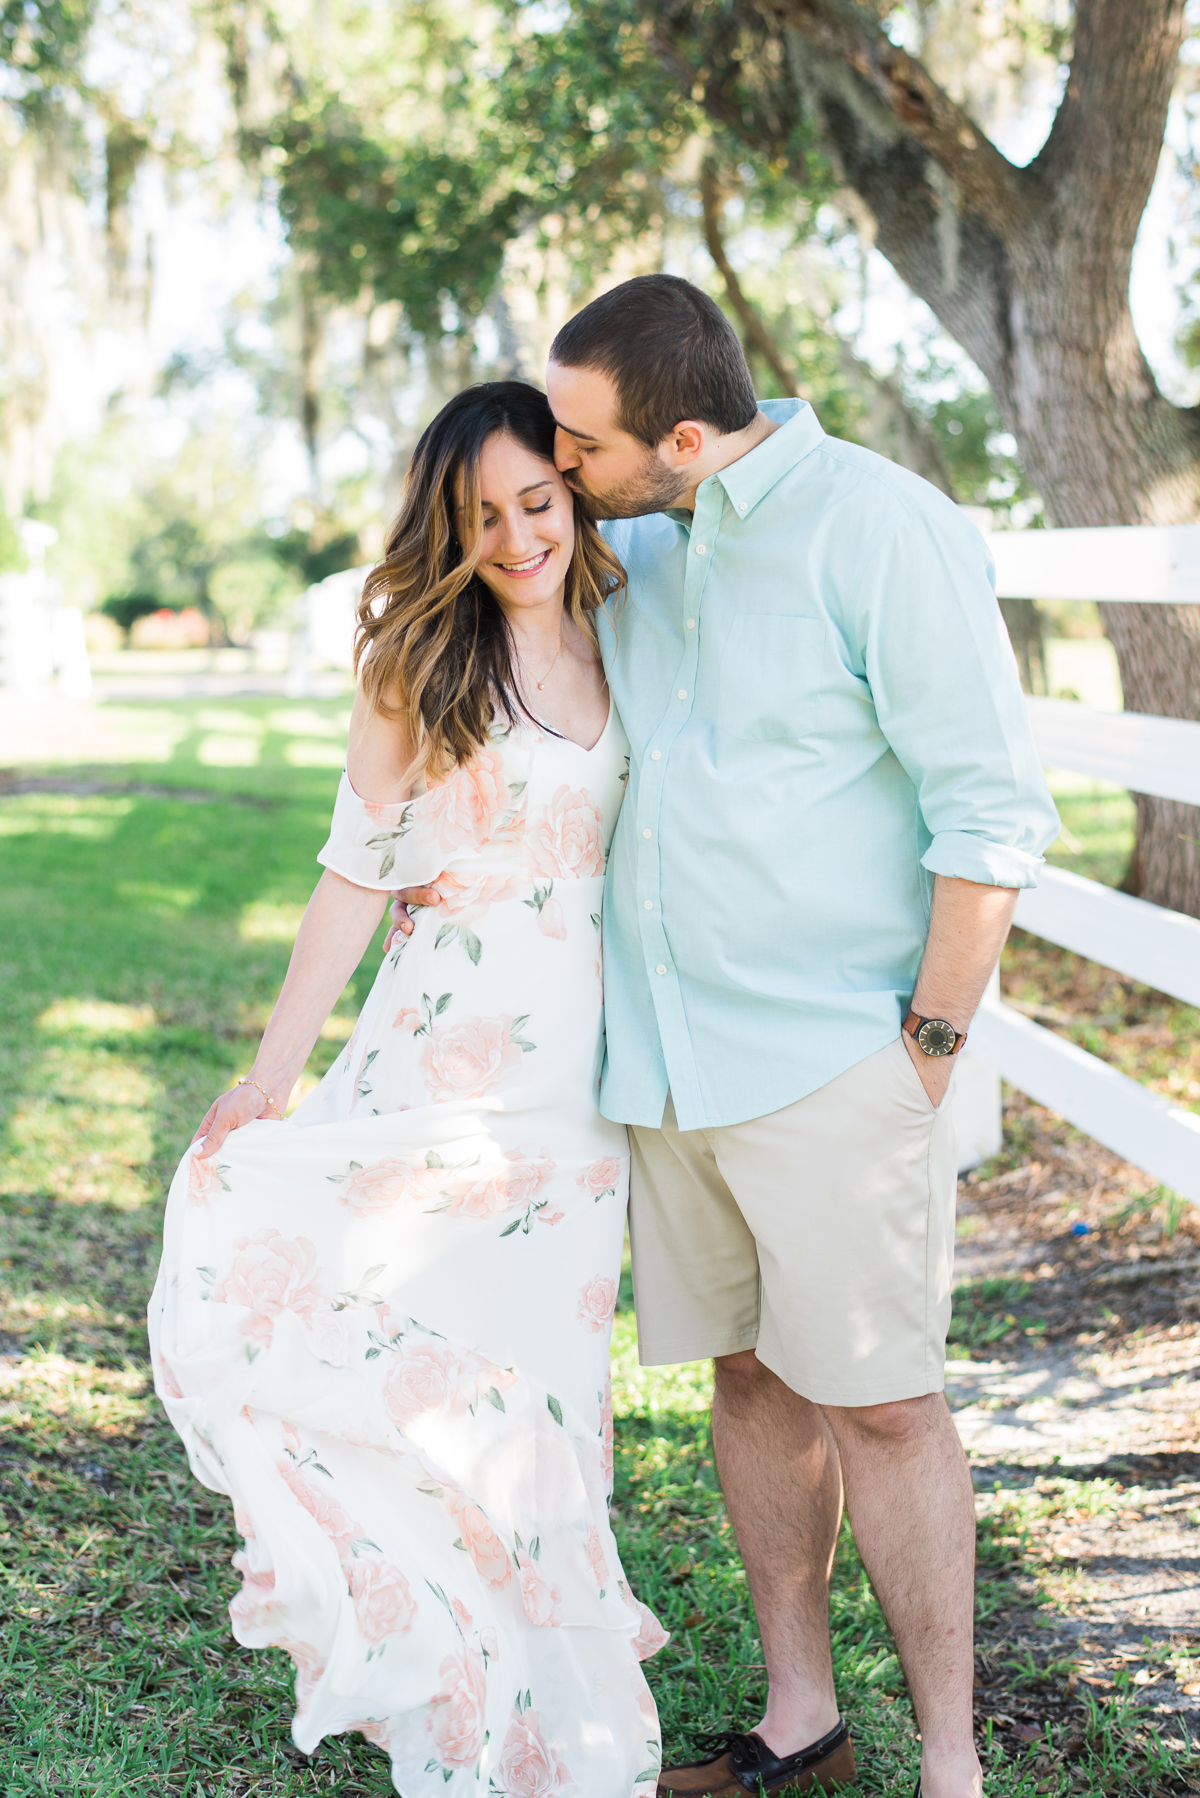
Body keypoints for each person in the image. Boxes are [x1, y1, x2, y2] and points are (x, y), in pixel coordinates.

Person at [392, 278, 1059, 1798]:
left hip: (837, 1060)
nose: (555, 467)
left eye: (581, 442)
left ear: (681, 437)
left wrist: (928, 1051)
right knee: (750, 1382)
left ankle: (953, 1766)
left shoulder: (883, 531)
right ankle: (797, 1721)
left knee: (884, 1401)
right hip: (670, 1066)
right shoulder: (633, 540)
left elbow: (993, 819)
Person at [148, 381, 667, 1798]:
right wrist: (272, 1074)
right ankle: (454, 1686)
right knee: (416, 1360)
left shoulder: (636, 631)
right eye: (484, 514)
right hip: (435, 1061)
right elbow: (350, 875)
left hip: (574, 1102)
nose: (515, 536)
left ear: (575, 498)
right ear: (452, 528)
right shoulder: (422, 661)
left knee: (547, 1394)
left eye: (538, 503)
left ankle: (561, 1726)